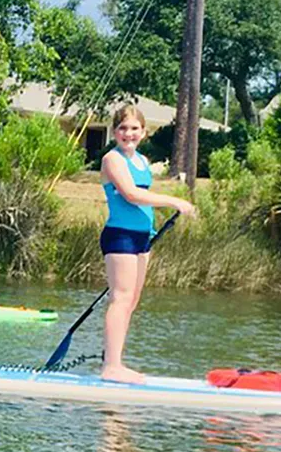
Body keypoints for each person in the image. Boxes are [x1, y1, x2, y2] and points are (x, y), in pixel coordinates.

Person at [99, 105, 195, 384]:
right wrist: (174, 201)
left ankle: (116, 362)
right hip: (120, 235)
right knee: (121, 298)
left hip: (143, 237)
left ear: (144, 131)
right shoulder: (112, 160)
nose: (128, 133)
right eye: (122, 128)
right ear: (115, 131)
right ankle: (111, 367)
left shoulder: (141, 160)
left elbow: (142, 194)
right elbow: (129, 195)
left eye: (134, 128)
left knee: (131, 301)